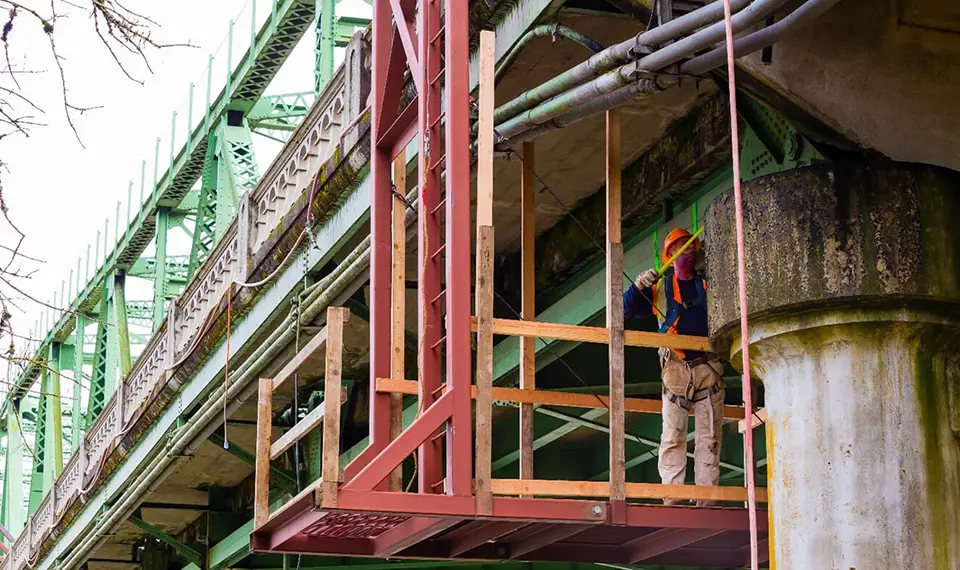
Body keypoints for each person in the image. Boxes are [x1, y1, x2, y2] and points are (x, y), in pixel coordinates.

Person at [623, 227, 725, 506]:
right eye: (682, 245)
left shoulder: (707, 285)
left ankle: (707, 498)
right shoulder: (661, 288)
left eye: (691, 245)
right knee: (673, 435)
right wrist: (639, 286)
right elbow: (626, 309)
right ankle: (673, 496)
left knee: (710, 437)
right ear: (670, 254)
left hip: (708, 367)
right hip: (676, 366)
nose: (688, 249)